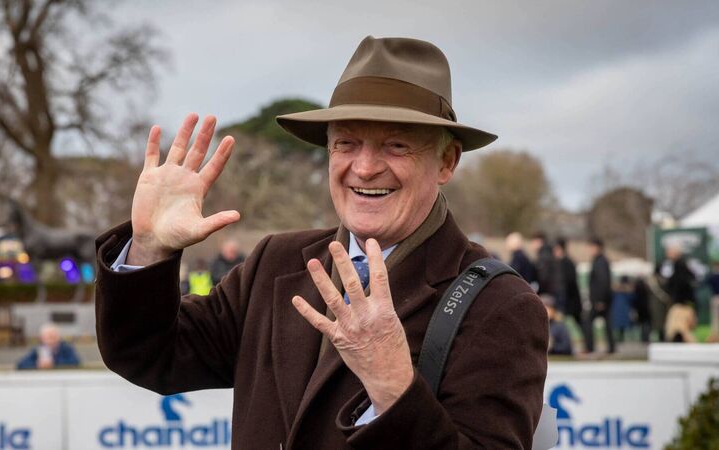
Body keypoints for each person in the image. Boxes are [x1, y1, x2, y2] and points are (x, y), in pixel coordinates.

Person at [95, 36, 548, 449]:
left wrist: (393, 389)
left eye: (396, 145)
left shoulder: (500, 305)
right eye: (346, 143)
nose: (364, 168)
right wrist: (149, 248)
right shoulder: (276, 261)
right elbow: (151, 355)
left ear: (446, 161)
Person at [583, 238, 615, 354]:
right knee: (607, 323)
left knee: (587, 320)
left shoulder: (600, 262)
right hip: (602, 299)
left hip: (600, 300)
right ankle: (611, 347)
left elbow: (603, 281)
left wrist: (600, 300)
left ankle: (590, 347)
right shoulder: (600, 261)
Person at [553, 238, 585, 340]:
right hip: (568, 299)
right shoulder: (561, 263)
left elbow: (569, 282)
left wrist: (562, 297)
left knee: (579, 323)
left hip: (570, 299)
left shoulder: (566, 263)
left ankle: (588, 344)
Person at [16, 323, 81, 370]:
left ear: (58, 337)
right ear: (42, 339)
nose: (51, 341)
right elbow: (21, 364)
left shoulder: (66, 348)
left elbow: (76, 362)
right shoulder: (37, 350)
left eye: (53, 337)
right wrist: (37, 364)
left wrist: (54, 363)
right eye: (48, 338)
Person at [610, 276, 634, 342]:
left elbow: (632, 298)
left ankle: (621, 338)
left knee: (622, 327)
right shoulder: (616, 292)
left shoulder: (627, 292)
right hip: (619, 311)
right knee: (617, 327)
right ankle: (617, 338)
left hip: (624, 311)